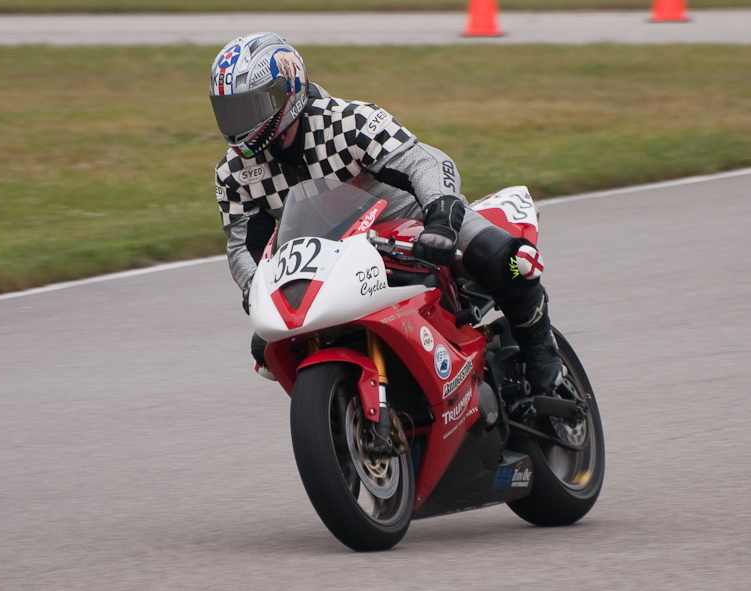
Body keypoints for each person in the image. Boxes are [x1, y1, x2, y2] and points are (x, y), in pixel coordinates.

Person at [209, 33, 562, 394]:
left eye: (249, 109)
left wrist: (440, 218)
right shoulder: (233, 173)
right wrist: (257, 290)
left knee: (503, 259)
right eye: (229, 112)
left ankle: (540, 346)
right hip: (329, 263)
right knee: (269, 347)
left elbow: (425, 162)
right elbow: (244, 247)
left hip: (413, 227)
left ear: (287, 89)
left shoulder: (347, 121)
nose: (239, 125)